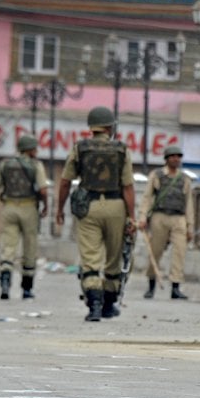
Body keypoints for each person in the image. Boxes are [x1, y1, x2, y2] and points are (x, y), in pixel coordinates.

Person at [55, 106, 136, 322]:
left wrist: (59, 209)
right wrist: (132, 217)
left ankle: (94, 306)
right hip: (116, 206)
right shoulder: (121, 150)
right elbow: (128, 187)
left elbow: (65, 182)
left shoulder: (79, 149)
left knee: (91, 258)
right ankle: (109, 304)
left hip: (88, 207)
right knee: (113, 258)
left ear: (91, 127)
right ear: (110, 127)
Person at [0, 134, 48, 300]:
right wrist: (46, 206)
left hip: (9, 207)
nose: (36, 150)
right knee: (30, 247)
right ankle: (26, 289)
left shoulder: (5, 165)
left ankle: (5, 284)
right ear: (29, 149)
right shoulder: (36, 165)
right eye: (34, 147)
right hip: (29, 208)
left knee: (8, 246)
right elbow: (43, 189)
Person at [137, 144, 194, 300]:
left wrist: (190, 227)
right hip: (159, 217)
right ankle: (151, 285)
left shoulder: (185, 179)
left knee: (179, 253)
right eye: (173, 156)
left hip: (179, 218)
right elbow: (147, 197)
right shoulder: (157, 175)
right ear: (167, 159)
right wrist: (142, 218)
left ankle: (175, 287)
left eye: (178, 156)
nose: (176, 159)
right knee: (155, 251)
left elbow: (189, 204)